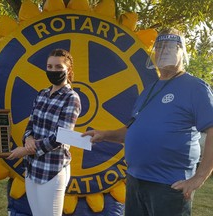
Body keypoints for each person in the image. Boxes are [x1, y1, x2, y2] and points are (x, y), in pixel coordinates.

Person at [82, 28, 213, 216]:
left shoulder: (195, 87)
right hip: (136, 181)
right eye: (159, 47)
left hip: (169, 185)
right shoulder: (149, 90)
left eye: (170, 47)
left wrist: (199, 177)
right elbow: (134, 130)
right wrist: (104, 135)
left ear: (182, 52)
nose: (163, 51)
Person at [7, 48, 81, 216]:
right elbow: (30, 124)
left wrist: (25, 150)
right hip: (32, 168)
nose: (53, 70)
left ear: (68, 70)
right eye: (49, 66)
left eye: (58, 67)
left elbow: (61, 136)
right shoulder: (42, 94)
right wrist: (28, 138)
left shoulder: (71, 98)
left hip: (53, 170)